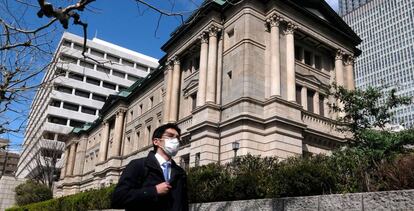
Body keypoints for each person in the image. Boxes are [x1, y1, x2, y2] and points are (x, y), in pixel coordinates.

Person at [111, 123, 188, 211]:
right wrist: (153, 191)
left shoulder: (180, 172)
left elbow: (183, 204)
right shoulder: (138, 165)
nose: (175, 140)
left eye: (177, 138)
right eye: (170, 136)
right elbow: (118, 199)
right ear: (156, 141)